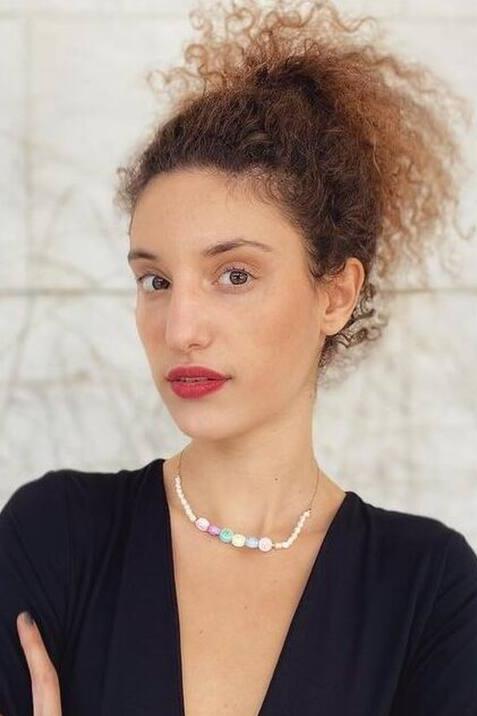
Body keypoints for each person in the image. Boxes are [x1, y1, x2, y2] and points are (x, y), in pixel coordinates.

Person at [1, 0, 476, 714]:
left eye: (234, 274)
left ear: (335, 295)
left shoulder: (427, 588)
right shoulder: (55, 535)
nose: (181, 328)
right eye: (155, 281)